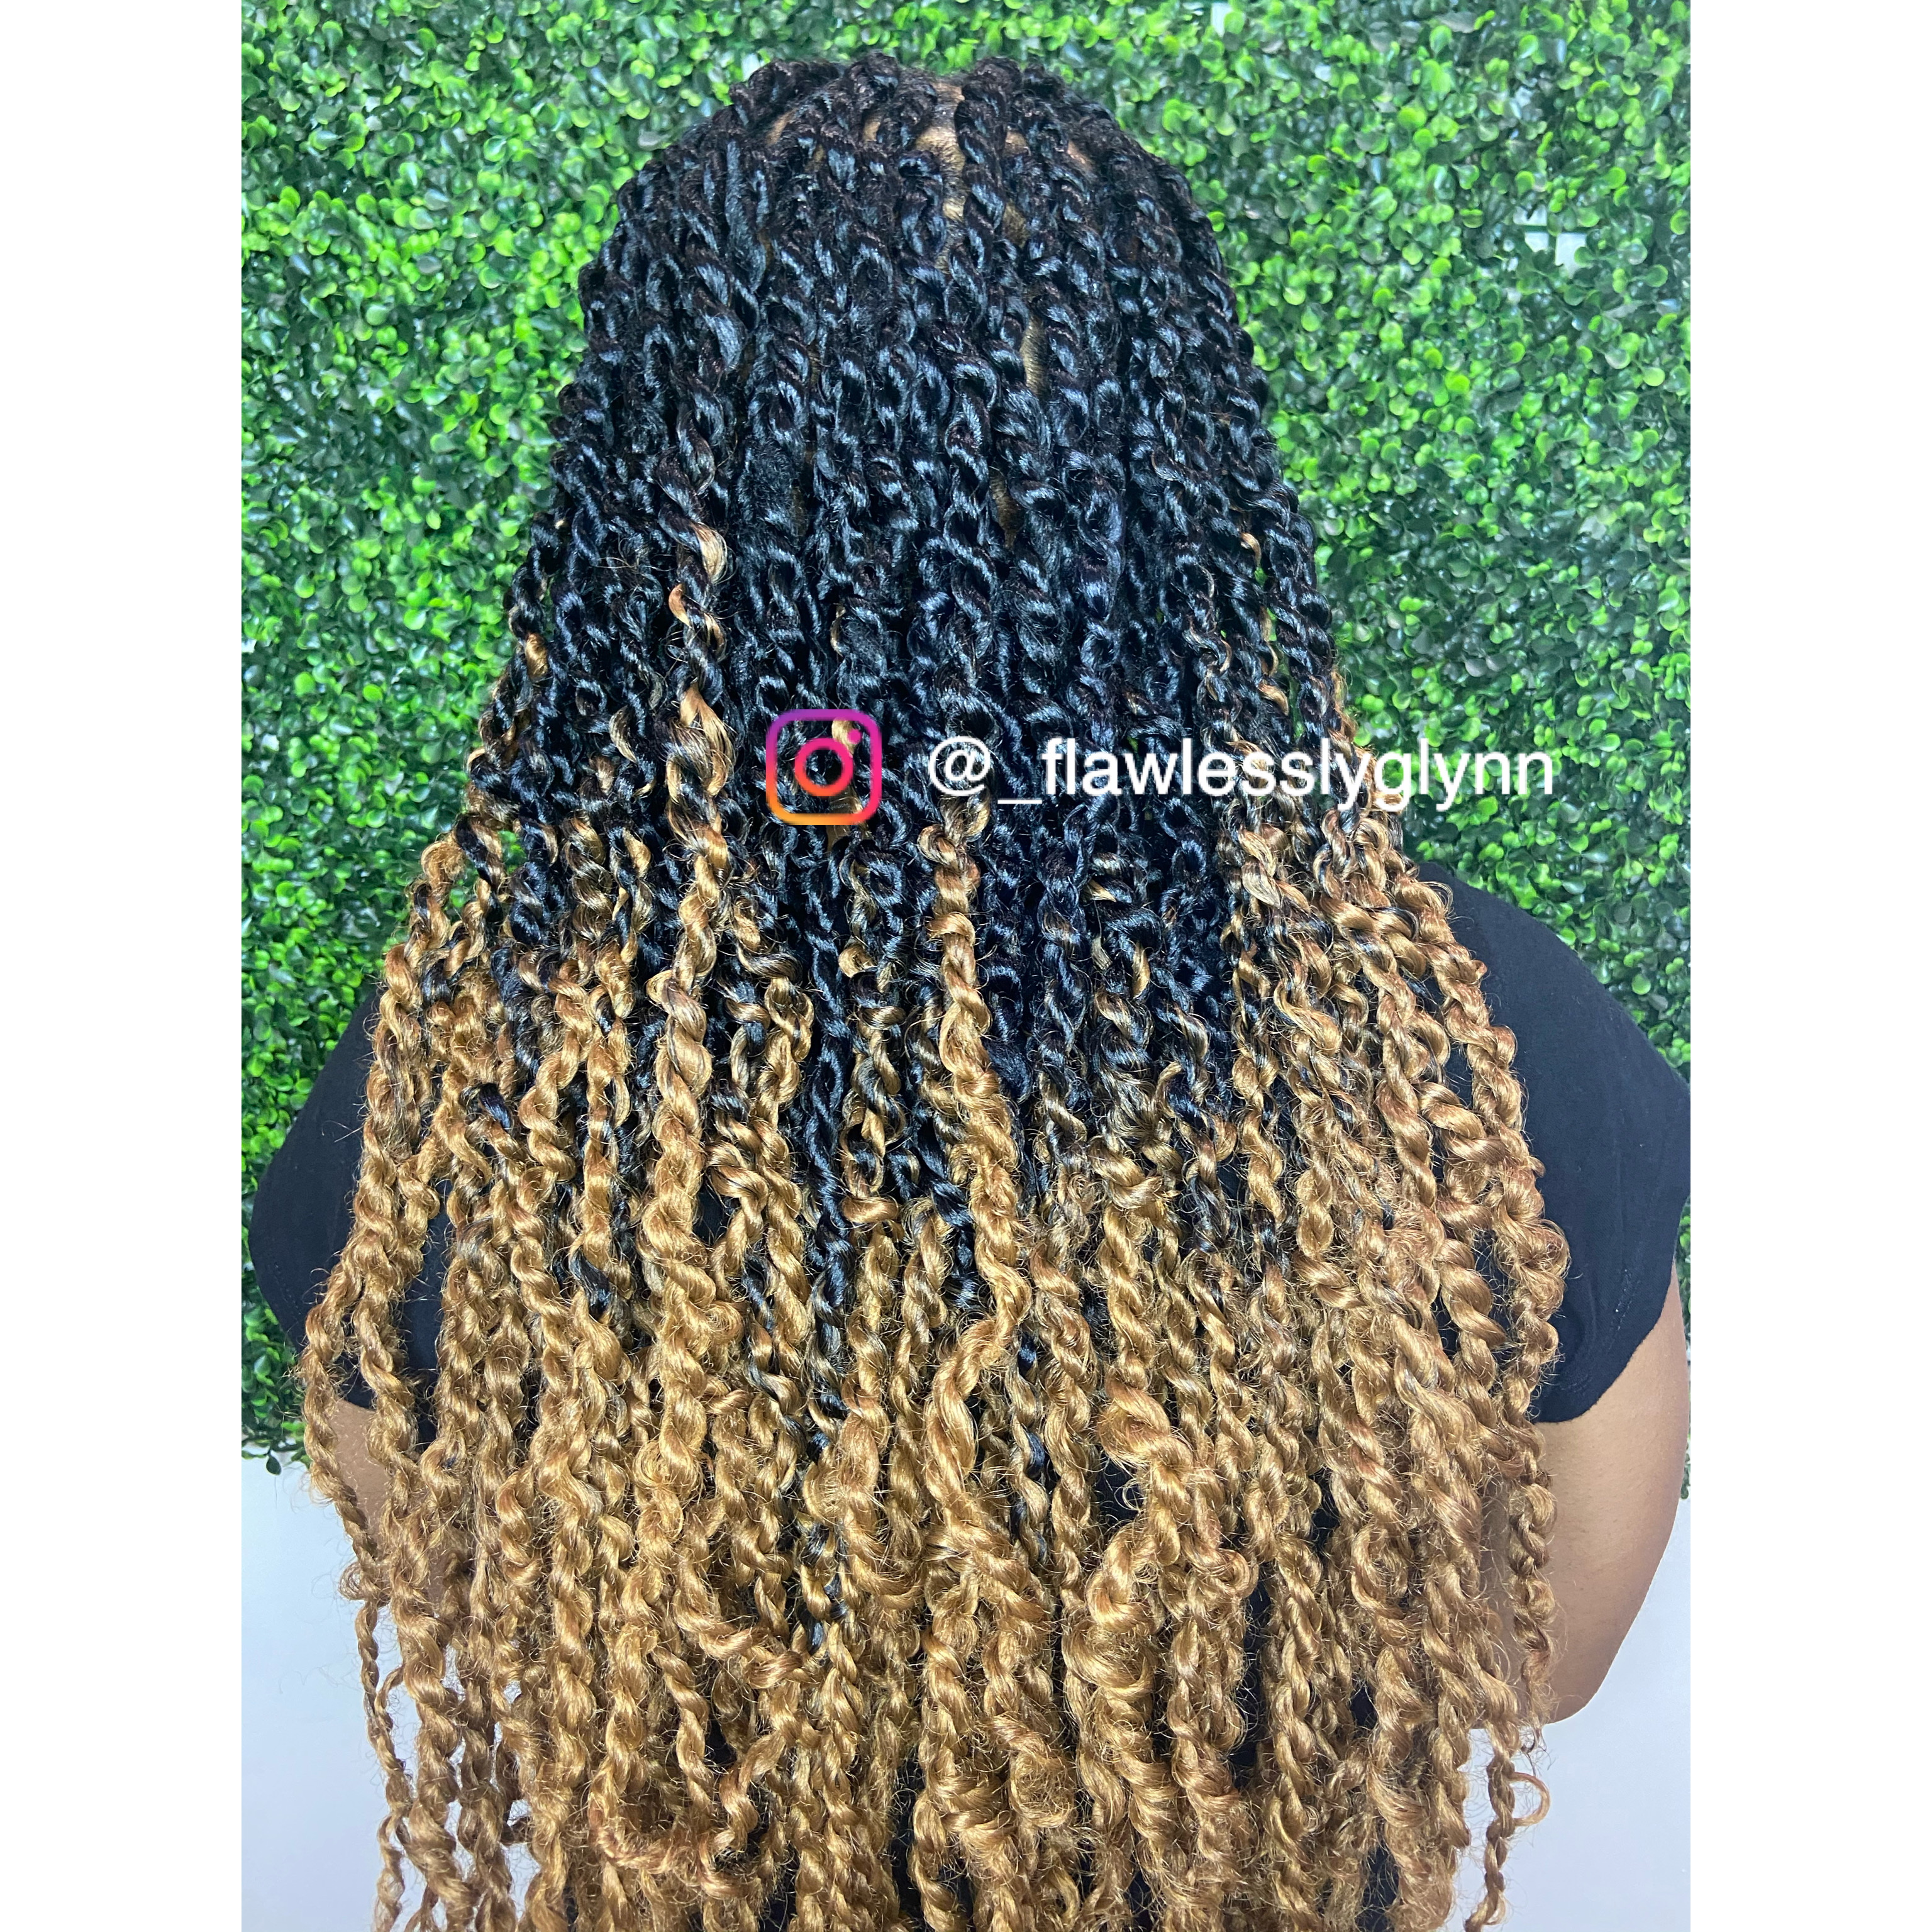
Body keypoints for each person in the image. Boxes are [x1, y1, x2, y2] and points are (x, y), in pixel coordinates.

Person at [251, 53, 1689, 1932]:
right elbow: (1544, 1655)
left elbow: (503, 1654)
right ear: (1165, 492)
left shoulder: (449, 1089)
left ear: (655, 511)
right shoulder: (1472, 1044)